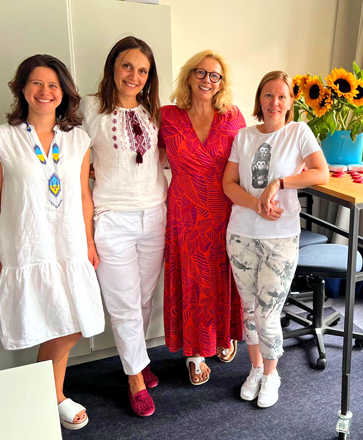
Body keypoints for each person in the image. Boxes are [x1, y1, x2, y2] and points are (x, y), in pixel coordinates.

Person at [0, 54, 105, 430]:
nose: (45, 91)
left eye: (53, 85)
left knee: (73, 322)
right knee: (48, 322)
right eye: (37, 83)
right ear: (22, 88)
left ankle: (44, 393)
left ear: (63, 93)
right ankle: (55, 396)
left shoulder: (78, 139)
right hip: (26, 248)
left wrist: (89, 242)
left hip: (70, 246)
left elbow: (84, 195)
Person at [223, 71, 329, 408]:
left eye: (282, 96)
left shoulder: (298, 132)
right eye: (268, 95)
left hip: (280, 237)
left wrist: (279, 183)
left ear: (290, 102)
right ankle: (255, 369)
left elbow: (321, 172)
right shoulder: (243, 136)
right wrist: (256, 203)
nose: (275, 102)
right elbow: (228, 184)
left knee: (268, 313)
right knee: (249, 310)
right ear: (260, 98)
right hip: (241, 234)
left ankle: (272, 374)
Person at [78, 36, 167, 417]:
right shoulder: (89, 107)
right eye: (127, 66)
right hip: (112, 219)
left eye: (142, 70)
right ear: (113, 66)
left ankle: (138, 360)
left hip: (155, 216)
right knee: (124, 305)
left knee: (144, 300)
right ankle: (134, 378)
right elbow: (69, 155)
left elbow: (162, 158)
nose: (134, 76)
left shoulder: (154, 112)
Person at [159, 50, 245, 385]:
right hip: (184, 212)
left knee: (222, 276)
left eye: (215, 75)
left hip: (222, 209)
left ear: (222, 82)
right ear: (189, 75)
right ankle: (195, 354)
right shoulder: (167, 116)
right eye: (201, 72)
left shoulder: (233, 117)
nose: (207, 80)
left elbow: (250, 161)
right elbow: (142, 153)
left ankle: (223, 335)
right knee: (192, 281)